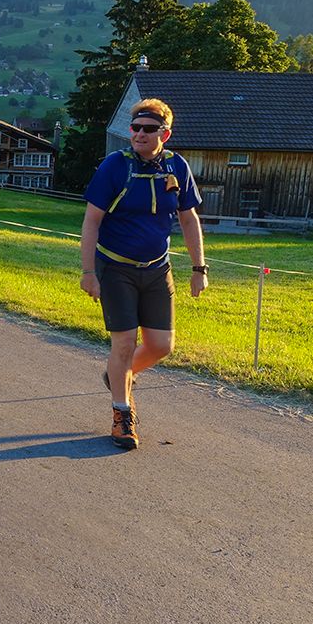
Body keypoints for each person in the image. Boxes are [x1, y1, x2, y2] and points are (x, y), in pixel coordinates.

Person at [80, 98, 208, 450]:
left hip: (157, 268)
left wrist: (199, 268)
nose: (138, 134)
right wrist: (89, 271)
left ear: (164, 133)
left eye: (147, 129)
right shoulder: (113, 167)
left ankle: (120, 374)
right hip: (115, 267)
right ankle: (122, 414)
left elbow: (188, 219)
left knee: (161, 345)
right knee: (123, 342)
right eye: (134, 128)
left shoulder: (177, 167)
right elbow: (91, 221)